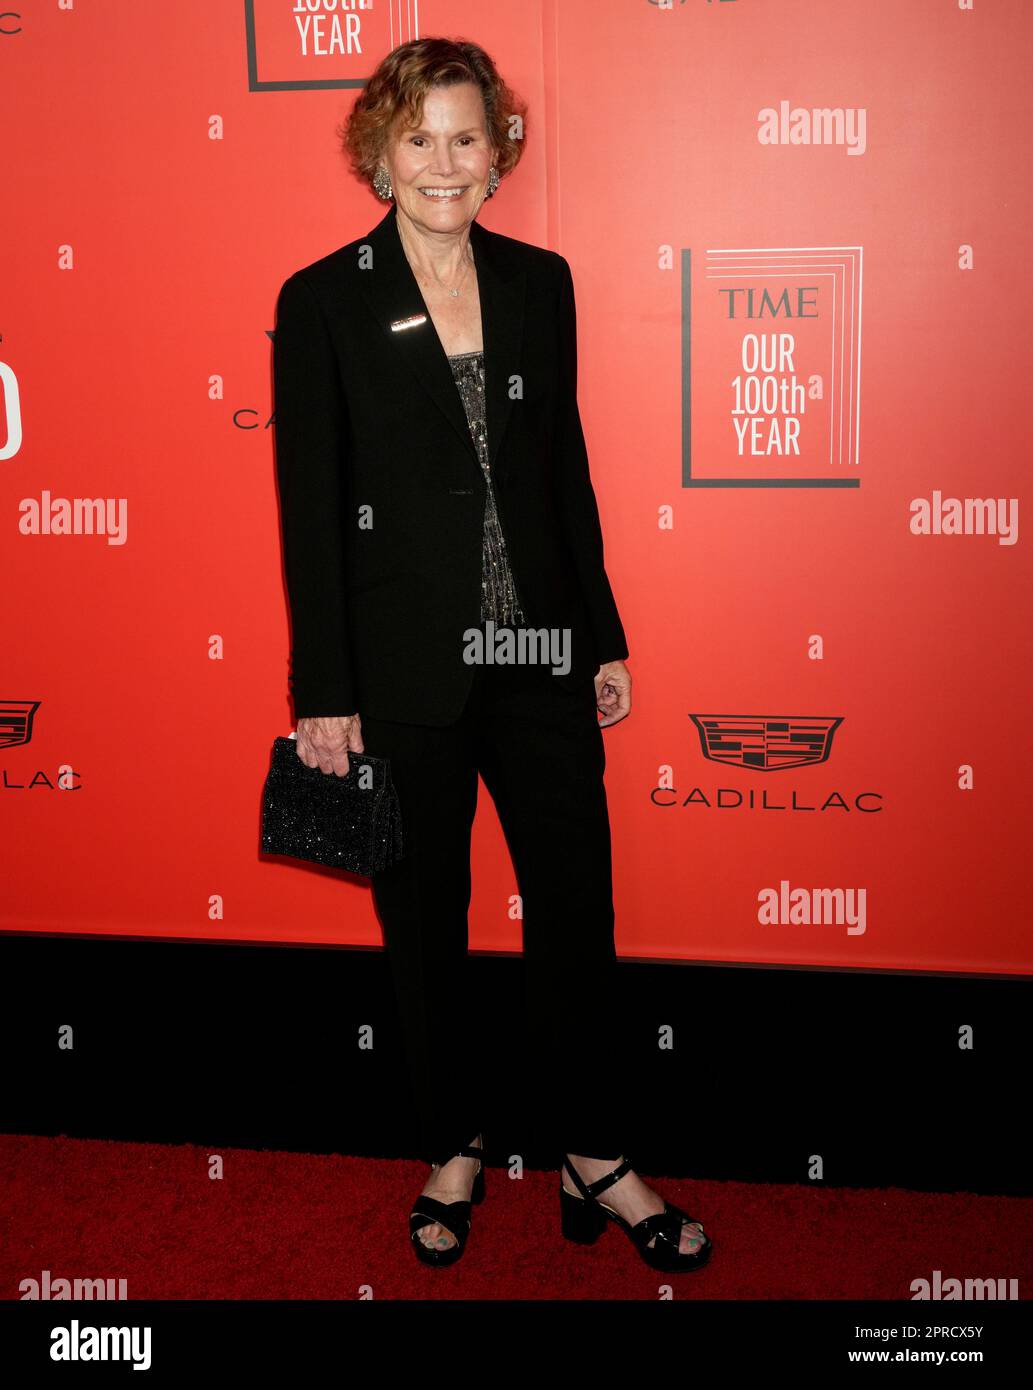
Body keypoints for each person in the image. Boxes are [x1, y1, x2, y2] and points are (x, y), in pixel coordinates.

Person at [272, 36, 711, 1274]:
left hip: (536, 648)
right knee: (428, 919)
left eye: (468, 137)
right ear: (379, 152)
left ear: (499, 149)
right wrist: (326, 691)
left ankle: (594, 1155)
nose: (445, 163)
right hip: (404, 666)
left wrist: (603, 635)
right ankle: (452, 1144)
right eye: (420, 139)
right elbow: (310, 507)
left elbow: (561, 470)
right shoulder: (325, 298)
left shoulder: (539, 282)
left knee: (577, 908)